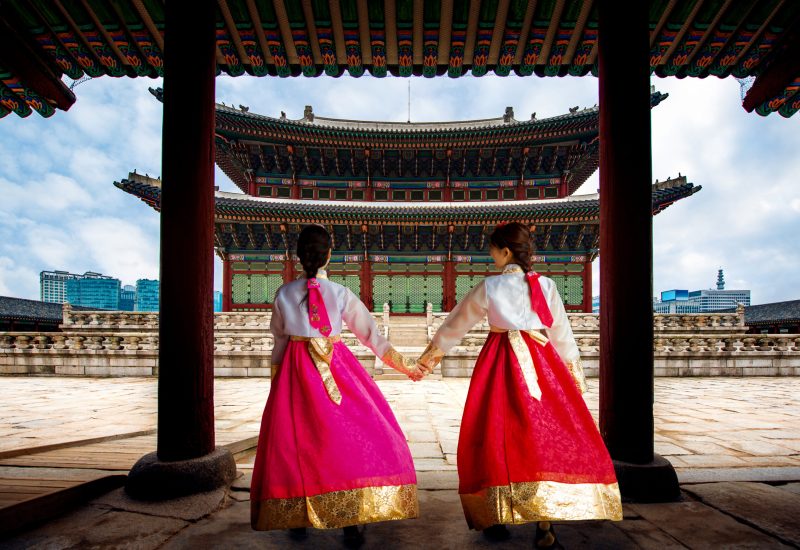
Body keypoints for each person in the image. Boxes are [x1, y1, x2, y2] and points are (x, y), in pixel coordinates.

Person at [416, 222, 622, 547]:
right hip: (543, 366)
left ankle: (496, 513)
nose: (490, 255)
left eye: (493, 249)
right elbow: (562, 334)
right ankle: (544, 520)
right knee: (544, 437)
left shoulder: (490, 287)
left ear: (506, 252)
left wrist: (428, 359)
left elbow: (457, 324)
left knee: (496, 435)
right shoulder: (548, 287)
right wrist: (574, 376)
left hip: (500, 366)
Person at [251, 225, 422, 546]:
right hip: (337, 368)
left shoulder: (284, 293)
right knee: (348, 436)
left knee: (295, 442)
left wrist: (277, 382)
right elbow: (372, 336)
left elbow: (279, 341)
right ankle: (351, 518)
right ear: (330, 255)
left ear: (298, 256)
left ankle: (296, 514)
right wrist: (407, 366)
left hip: (295, 373)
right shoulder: (341, 293)